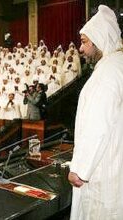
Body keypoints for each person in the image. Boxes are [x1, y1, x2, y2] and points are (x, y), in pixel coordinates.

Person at [68, 5, 123, 220]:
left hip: (103, 171)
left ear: (99, 39)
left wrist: (80, 169)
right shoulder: (117, 65)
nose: (80, 50)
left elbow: (98, 126)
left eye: (84, 42)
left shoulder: (107, 73)